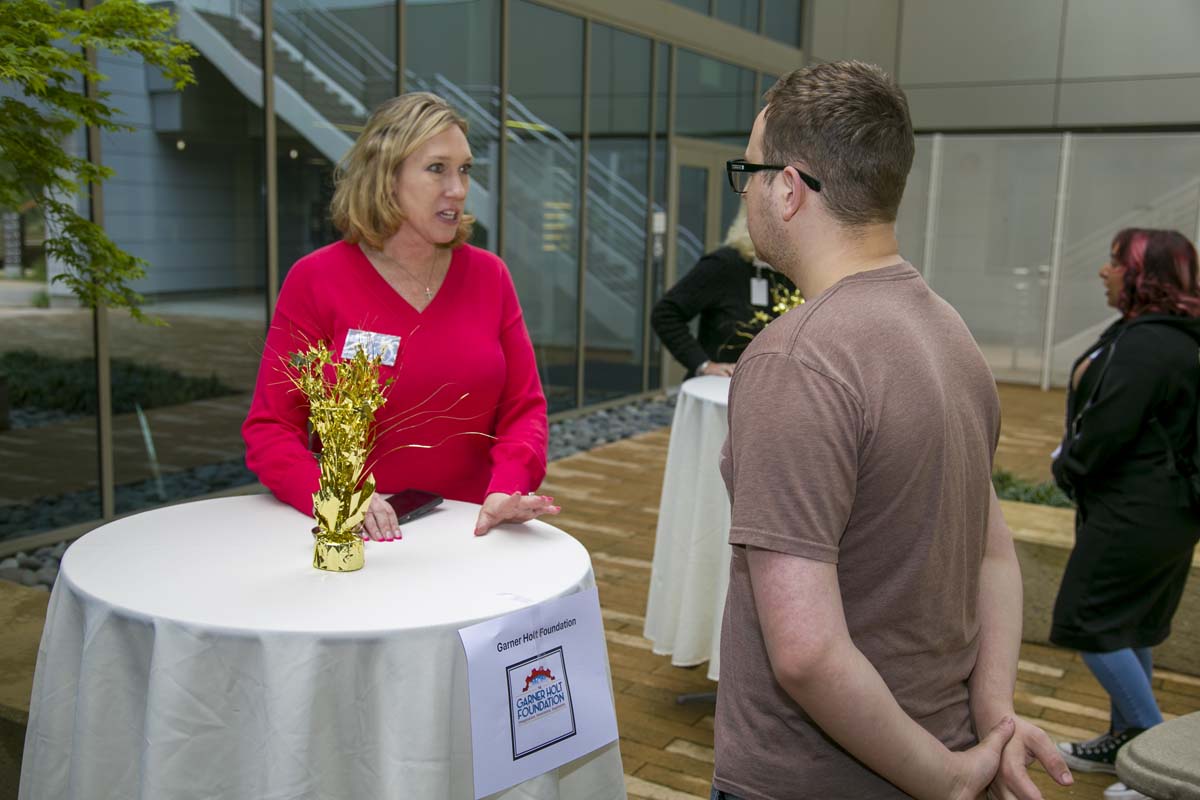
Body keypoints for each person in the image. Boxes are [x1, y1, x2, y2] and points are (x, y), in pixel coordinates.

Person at [712, 61, 1072, 800]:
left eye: (747, 170)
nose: (745, 188)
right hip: (933, 745)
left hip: (812, 781)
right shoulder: (949, 330)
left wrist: (945, 778)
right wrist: (992, 719)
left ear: (788, 187)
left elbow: (807, 653)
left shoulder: (795, 360)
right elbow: (994, 557)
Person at [243, 92, 558, 541]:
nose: (458, 188)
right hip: (355, 540)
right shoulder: (316, 279)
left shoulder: (490, 277)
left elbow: (524, 410)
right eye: (437, 169)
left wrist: (506, 487)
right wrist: (336, 493)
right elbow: (271, 428)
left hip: (473, 533)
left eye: (465, 169)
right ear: (386, 177)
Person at [1050, 228, 1200, 800]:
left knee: (1089, 624)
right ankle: (1123, 742)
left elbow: (1107, 431)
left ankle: (1159, 757)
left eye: (1114, 262)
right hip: (1164, 511)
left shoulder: (1148, 344)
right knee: (1129, 623)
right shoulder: (1174, 337)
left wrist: (1067, 465)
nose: (1103, 272)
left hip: (1137, 512)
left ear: (1143, 276)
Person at [651, 206, 799, 378]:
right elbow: (665, 314)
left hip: (773, 389)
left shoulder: (795, 270)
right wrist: (703, 364)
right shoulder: (724, 265)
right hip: (722, 391)